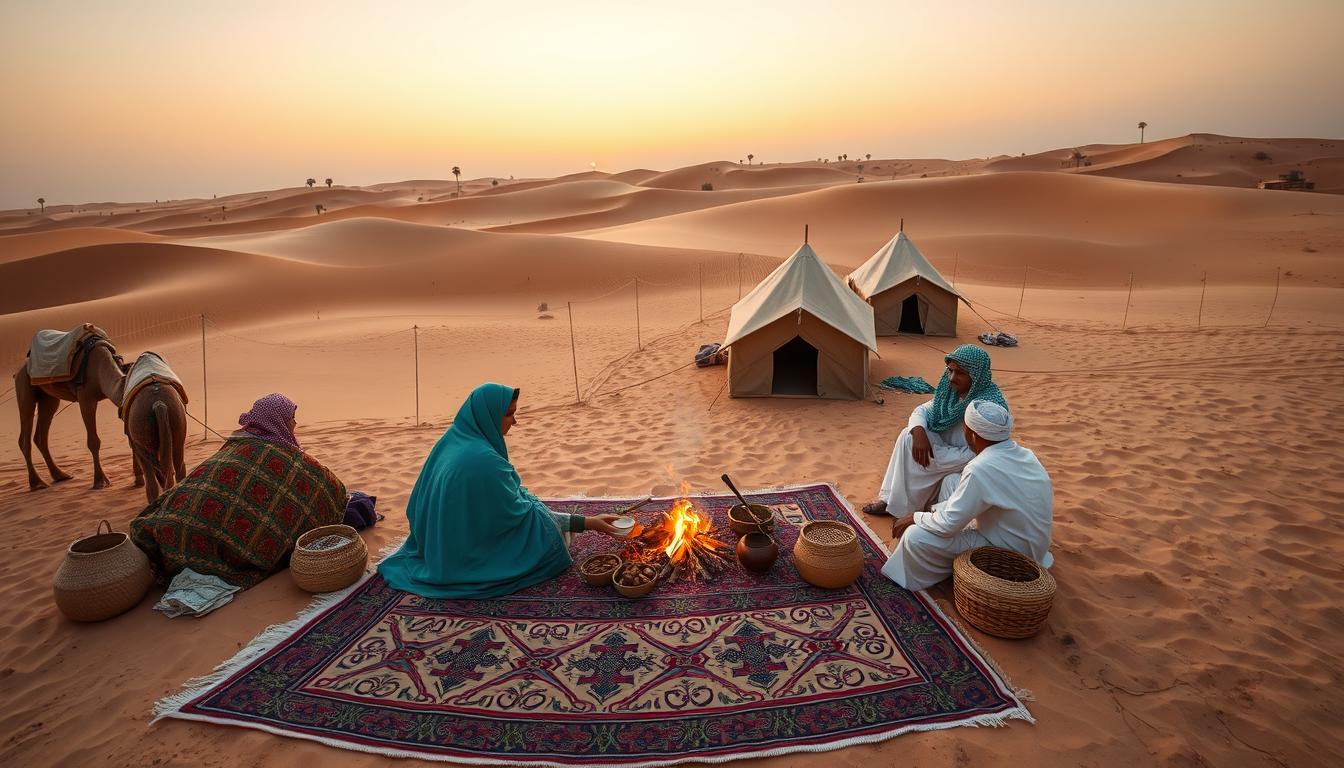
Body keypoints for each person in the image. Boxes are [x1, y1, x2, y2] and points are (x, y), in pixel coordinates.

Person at [379, 383, 622, 599]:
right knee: (549, 538)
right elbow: (522, 515)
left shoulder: (453, 438)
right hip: (461, 555)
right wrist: (586, 523)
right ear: (489, 416)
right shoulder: (485, 462)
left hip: (435, 542)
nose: (514, 422)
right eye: (509, 414)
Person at [130, 393, 346, 589]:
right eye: (291, 418)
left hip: (167, 526)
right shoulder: (286, 458)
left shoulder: (235, 443)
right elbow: (327, 488)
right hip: (210, 544)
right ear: (278, 421)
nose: (295, 423)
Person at [880, 399, 1052, 591]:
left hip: (1009, 554)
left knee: (914, 537)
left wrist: (915, 517)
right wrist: (934, 515)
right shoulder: (1026, 454)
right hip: (1032, 545)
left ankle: (947, 572)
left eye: (965, 429)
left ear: (973, 435)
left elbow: (947, 526)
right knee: (951, 482)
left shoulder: (980, 467)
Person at [863, 345, 1008, 518]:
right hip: (946, 452)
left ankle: (914, 512)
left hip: (970, 458)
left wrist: (940, 456)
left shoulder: (989, 405)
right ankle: (890, 500)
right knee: (908, 436)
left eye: (960, 373)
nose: (952, 378)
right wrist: (919, 432)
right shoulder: (950, 392)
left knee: (941, 471)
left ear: (976, 376)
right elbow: (922, 410)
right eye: (950, 371)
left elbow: (989, 449)